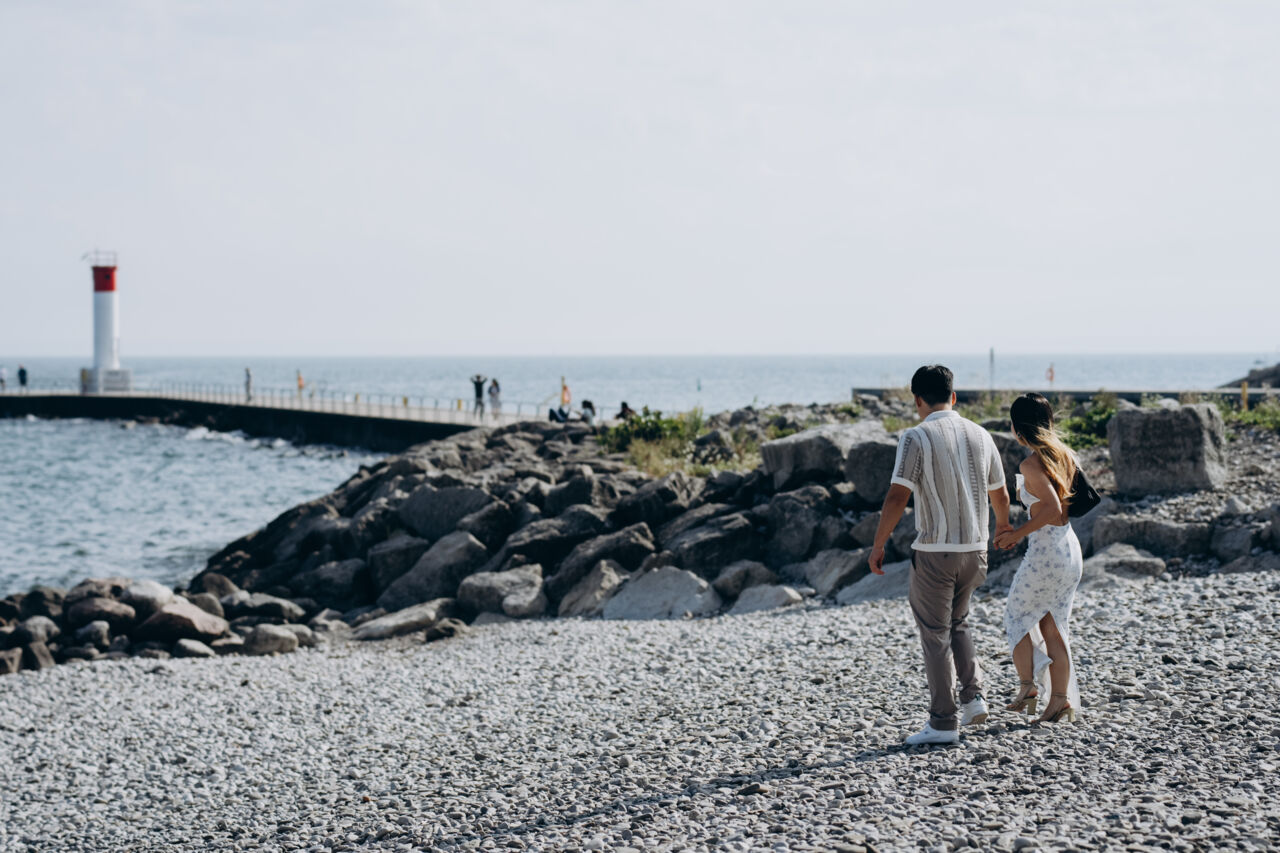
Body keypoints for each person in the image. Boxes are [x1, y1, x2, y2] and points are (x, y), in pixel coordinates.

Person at [868, 365, 1011, 746]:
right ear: (954, 396)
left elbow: (897, 496)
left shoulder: (916, 437)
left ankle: (943, 723)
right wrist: (1002, 528)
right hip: (975, 550)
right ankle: (974, 698)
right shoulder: (981, 434)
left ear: (917, 400)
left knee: (934, 635)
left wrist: (879, 544)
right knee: (958, 622)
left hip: (936, 551)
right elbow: (1000, 494)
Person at [992, 393, 1084, 725]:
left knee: (1016, 618)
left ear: (1017, 428)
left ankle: (1028, 687)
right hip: (1069, 548)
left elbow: (1052, 509)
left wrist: (1016, 534)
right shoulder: (1065, 455)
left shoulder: (1030, 464)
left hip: (1046, 552)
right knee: (1052, 625)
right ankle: (1059, 700)